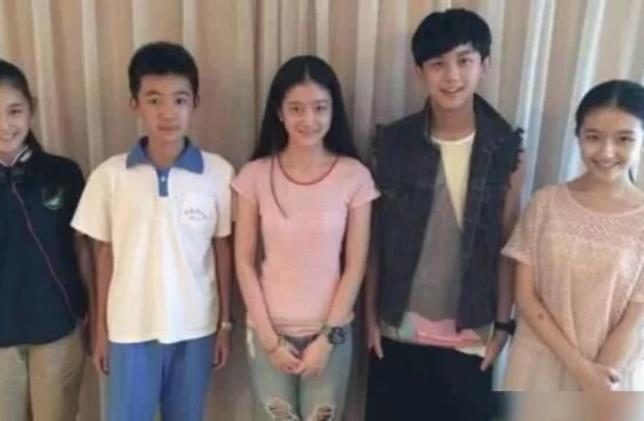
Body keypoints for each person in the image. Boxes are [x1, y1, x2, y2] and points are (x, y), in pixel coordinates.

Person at [364, 8, 524, 420]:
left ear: (485, 64)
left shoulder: (506, 148)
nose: (452, 75)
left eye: (464, 60)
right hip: (397, 326)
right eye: (438, 63)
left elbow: (509, 245)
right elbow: (375, 240)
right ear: (419, 72)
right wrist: (369, 319)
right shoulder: (393, 143)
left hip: (472, 330)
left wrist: (503, 327)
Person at [71, 41, 234, 421]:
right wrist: (100, 330)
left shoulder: (218, 173)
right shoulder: (110, 176)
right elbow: (102, 256)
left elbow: (223, 251)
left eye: (179, 99)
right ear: (135, 104)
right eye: (154, 100)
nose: (168, 113)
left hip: (195, 328)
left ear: (195, 103)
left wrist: (225, 325)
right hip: (129, 330)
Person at [232, 55, 378, 421]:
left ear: (333, 111)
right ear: (279, 112)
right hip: (268, 333)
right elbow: (244, 262)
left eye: (319, 108)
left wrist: (327, 339)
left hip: (331, 335)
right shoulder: (254, 175)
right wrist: (270, 341)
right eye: (296, 108)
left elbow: (356, 266)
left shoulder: (354, 176)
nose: (308, 120)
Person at [0, 59, 90, 421]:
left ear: (31, 108)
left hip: (58, 327)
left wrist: (93, 320)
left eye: (14, 111)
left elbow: (82, 252)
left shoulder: (64, 174)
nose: (4, 125)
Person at [502, 80, 644, 392]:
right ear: (578, 136)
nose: (607, 152)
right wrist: (579, 369)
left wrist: (596, 381)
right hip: (538, 364)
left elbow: (636, 317)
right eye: (593, 137)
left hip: (611, 374)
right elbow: (525, 297)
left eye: (624, 139)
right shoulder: (545, 203)